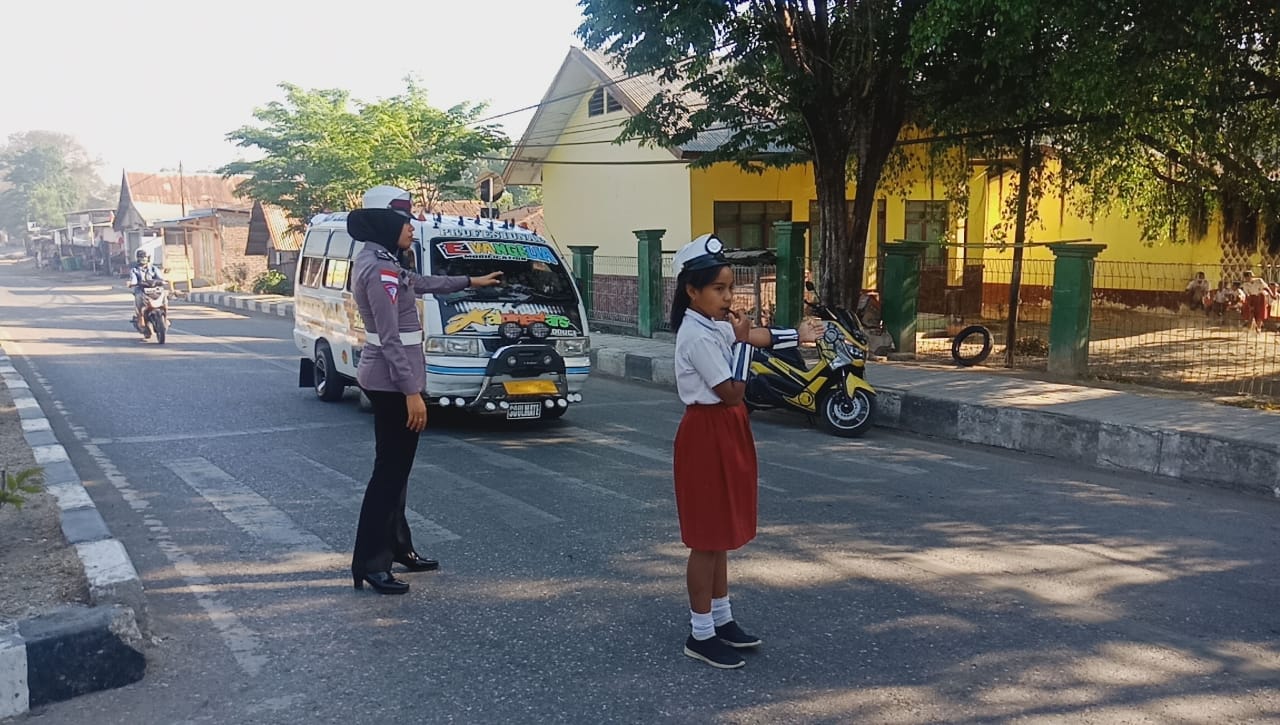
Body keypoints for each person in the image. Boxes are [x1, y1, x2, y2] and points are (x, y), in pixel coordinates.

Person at [669, 233, 822, 669]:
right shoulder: (695, 336)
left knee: (722, 534)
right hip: (707, 431)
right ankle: (700, 634)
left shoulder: (712, 322)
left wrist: (800, 334)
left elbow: (755, 334)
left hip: (727, 430)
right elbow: (733, 392)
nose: (727, 296)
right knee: (706, 538)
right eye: (718, 288)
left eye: (730, 287)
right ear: (692, 291)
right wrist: (739, 345)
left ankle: (722, 619)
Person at [347, 206, 502, 595]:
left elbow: (419, 282)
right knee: (388, 475)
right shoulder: (379, 269)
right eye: (404, 223)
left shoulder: (380, 259)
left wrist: (472, 280)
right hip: (392, 382)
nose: (410, 227)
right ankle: (370, 562)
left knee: (396, 473)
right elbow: (389, 338)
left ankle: (398, 548)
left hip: (391, 378)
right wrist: (412, 392)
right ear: (386, 228)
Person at [126, 249, 165, 337]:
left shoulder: (153, 268)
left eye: (145, 257)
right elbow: (133, 279)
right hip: (141, 290)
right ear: (138, 259)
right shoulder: (134, 270)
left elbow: (160, 278)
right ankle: (141, 320)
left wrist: (162, 281)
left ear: (148, 258)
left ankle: (166, 318)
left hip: (154, 290)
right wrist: (132, 283)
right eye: (141, 257)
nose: (143, 259)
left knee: (164, 297)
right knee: (140, 303)